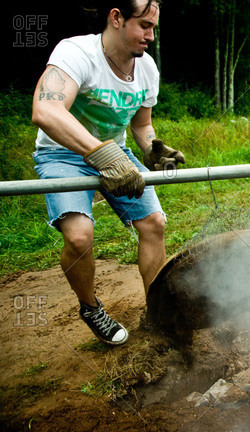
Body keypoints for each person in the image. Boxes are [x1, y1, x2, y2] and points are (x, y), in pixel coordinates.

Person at [31, 0, 184, 346]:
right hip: (62, 154)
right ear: (116, 18)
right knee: (80, 236)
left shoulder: (147, 70)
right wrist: (100, 154)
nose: (151, 36)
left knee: (154, 224)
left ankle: (158, 312)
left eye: (154, 28)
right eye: (144, 25)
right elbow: (45, 110)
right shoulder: (76, 53)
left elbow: (142, 125)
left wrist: (152, 149)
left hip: (116, 152)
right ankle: (90, 307)